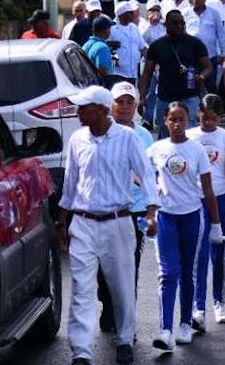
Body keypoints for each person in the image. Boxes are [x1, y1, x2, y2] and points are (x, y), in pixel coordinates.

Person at [57, 85, 159, 365]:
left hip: (117, 223)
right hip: (84, 223)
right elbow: (70, 183)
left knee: (122, 287)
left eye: (84, 108)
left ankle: (125, 339)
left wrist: (151, 214)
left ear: (101, 111)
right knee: (82, 289)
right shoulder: (77, 139)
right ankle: (81, 351)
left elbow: (146, 176)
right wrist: (62, 222)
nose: (78, 113)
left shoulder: (127, 138)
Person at [146, 102, 224, 352]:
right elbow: (140, 173)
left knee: (188, 271)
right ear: (165, 121)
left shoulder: (197, 151)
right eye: (172, 119)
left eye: (181, 119)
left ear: (188, 121)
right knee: (168, 273)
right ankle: (166, 330)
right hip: (166, 218)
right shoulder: (156, 149)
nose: (177, 124)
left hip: (192, 216)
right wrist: (152, 189)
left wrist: (215, 224)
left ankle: (184, 324)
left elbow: (208, 190)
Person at [96, 82, 155, 334]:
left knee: (131, 263)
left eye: (130, 102)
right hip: (105, 209)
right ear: (111, 105)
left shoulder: (144, 136)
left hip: (136, 209)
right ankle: (108, 304)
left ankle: (125, 320)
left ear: (136, 105)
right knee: (104, 266)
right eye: (119, 101)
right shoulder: (100, 132)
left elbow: (149, 172)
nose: (125, 107)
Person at [188, 94, 225, 327]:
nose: (208, 122)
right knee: (198, 254)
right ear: (198, 113)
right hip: (195, 200)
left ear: (219, 117)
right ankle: (198, 307)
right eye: (204, 117)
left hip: (220, 197)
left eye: (213, 118)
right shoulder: (189, 137)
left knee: (219, 252)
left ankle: (219, 302)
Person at [138, 10, 211, 136]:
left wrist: (202, 76)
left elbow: (208, 67)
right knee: (166, 133)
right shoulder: (157, 45)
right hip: (166, 96)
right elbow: (147, 73)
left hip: (190, 96)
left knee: (190, 134)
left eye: (182, 23)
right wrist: (142, 97)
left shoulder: (195, 43)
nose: (180, 26)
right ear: (166, 25)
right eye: (175, 23)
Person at [183, 0, 225, 95]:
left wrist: (223, 53)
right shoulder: (185, 13)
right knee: (192, 86)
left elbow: (220, 34)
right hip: (191, 56)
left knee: (211, 86)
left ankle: (211, 110)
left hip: (210, 56)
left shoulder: (214, 13)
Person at [109, 1, 147, 83]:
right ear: (121, 14)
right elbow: (104, 45)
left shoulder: (134, 28)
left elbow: (142, 47)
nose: (133, 15)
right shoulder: (112, 29)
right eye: (130, 13)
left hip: (133, 73)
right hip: (118, 74)